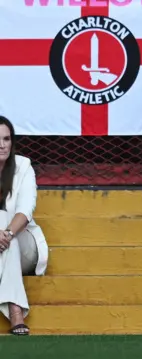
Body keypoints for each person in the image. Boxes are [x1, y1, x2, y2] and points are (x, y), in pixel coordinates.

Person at [0, 116, 49, 336]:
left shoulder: (23, 166)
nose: (2, 145)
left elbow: (25, 210)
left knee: (3, 222)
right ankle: (15, 310)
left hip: (24, 245)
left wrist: (6, 233)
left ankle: (15, 308)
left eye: (6, 139)